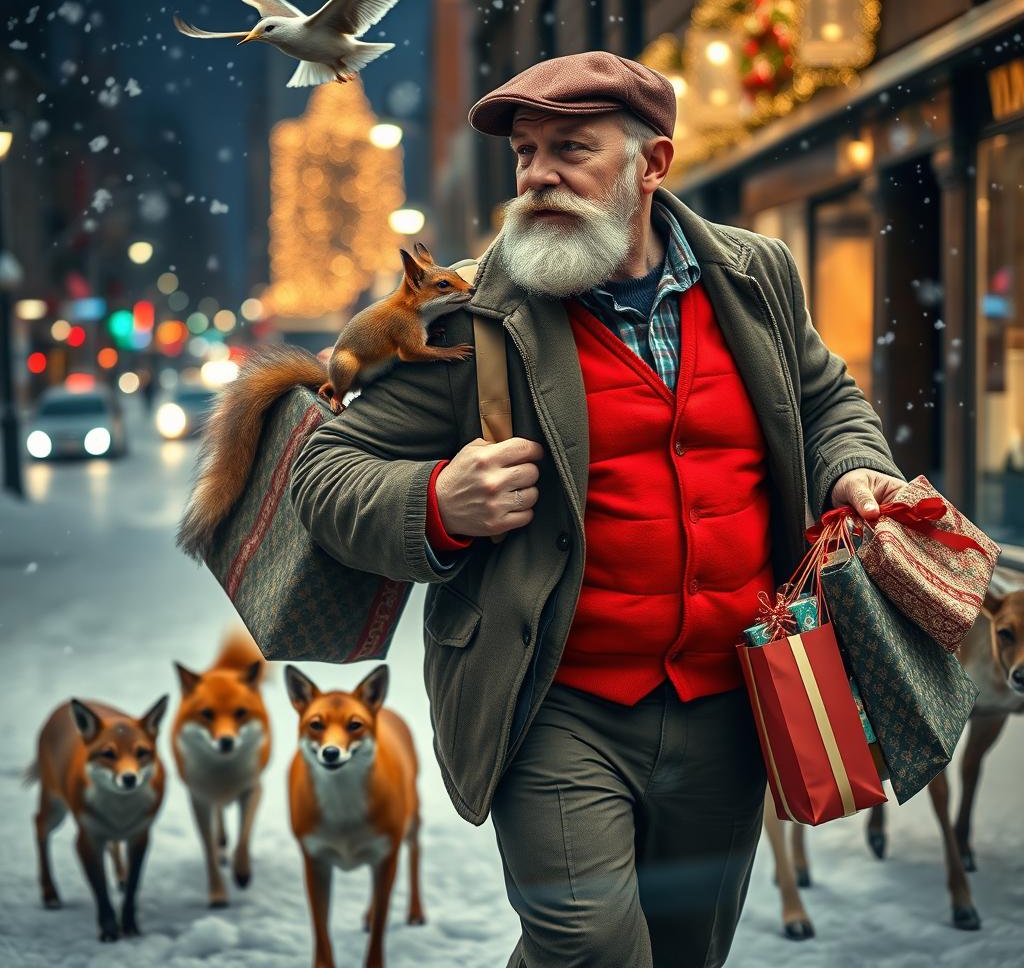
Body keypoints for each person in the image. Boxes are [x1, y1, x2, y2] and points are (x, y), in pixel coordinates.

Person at [289, 50, 907, 968]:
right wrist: (436, 502)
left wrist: (854, 468)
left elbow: (823, 402)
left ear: (650, 165)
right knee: (590, 945)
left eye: (570, 149)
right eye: (526, 151)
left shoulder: (757, 278)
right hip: (556, 701)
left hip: (734, 696)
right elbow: (325, 470)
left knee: (686, 951)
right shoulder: (471, 315)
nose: (537, 173)